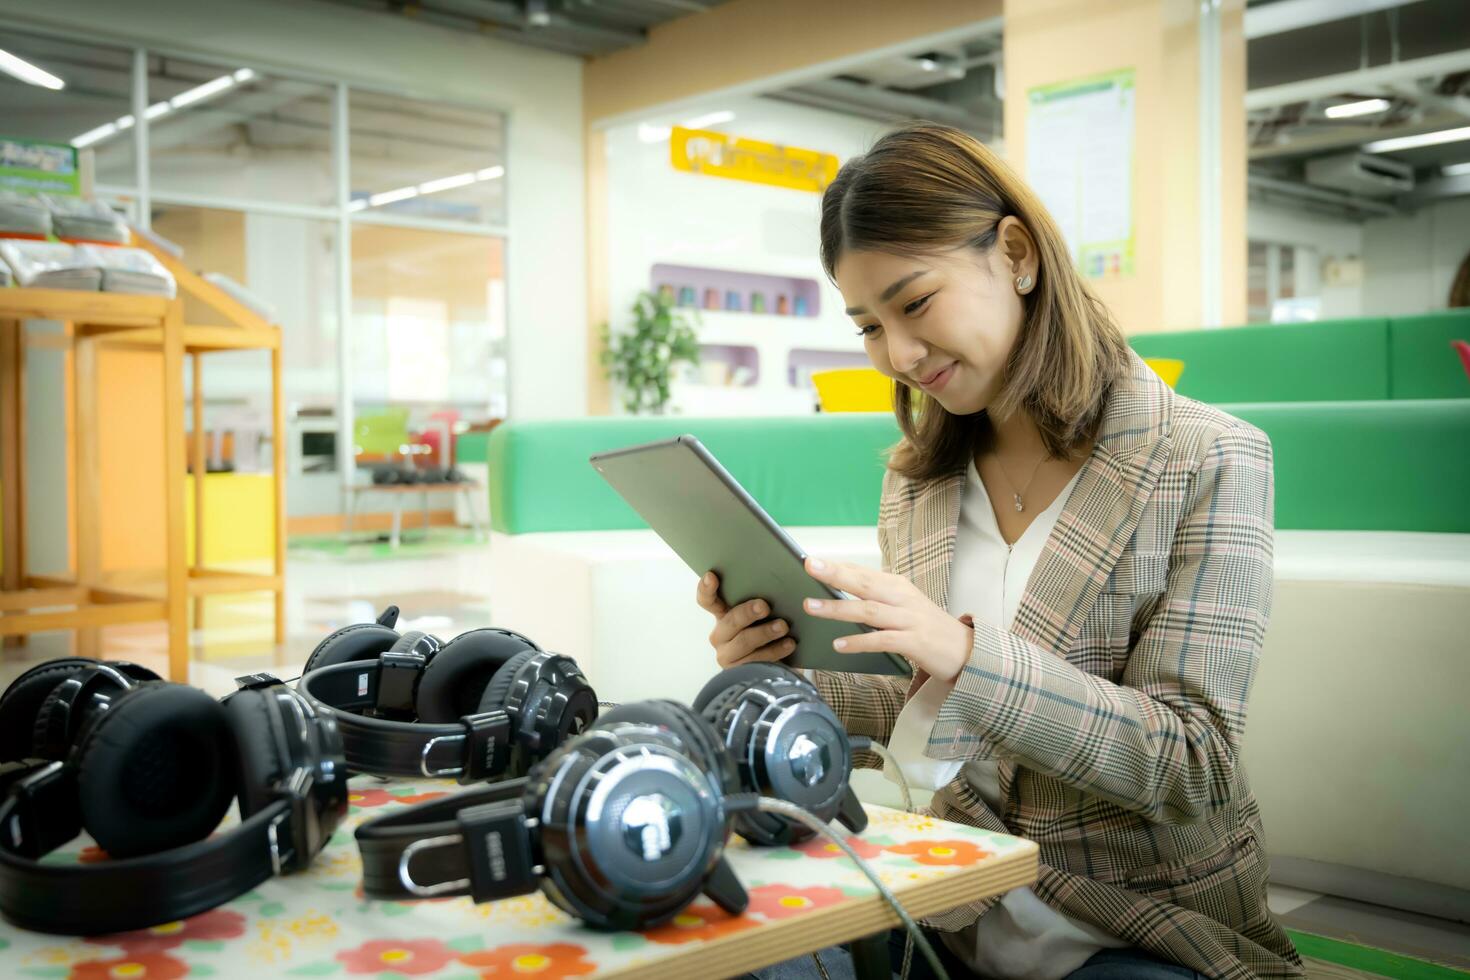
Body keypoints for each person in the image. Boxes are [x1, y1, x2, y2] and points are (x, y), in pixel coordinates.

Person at [696, 124, 1304, 980]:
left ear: (1015, 253)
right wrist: (784, 670)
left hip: (1135, 923)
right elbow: (919, 705)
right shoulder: (919, 481)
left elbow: (1189, 761)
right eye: (869, 325)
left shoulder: (1207, 457)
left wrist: (967, 654)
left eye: (914, 303)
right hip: (948, 902)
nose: (897, 355)